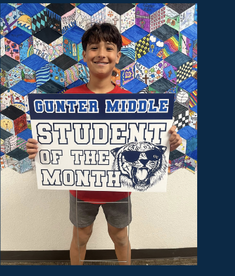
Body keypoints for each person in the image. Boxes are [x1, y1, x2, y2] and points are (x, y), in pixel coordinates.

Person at [25, 22, 182, 265]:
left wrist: (168, 142)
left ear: (117, 56)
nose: (101, 53)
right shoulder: (68, 99)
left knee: (120, 237)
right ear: (85, 55)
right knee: (80, 237)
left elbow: (144, 145)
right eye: (94, 47)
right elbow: (55, 141)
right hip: (80, 187)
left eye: (109, 48)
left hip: (119, 188)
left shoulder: (131, 102)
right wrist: (39, 148)